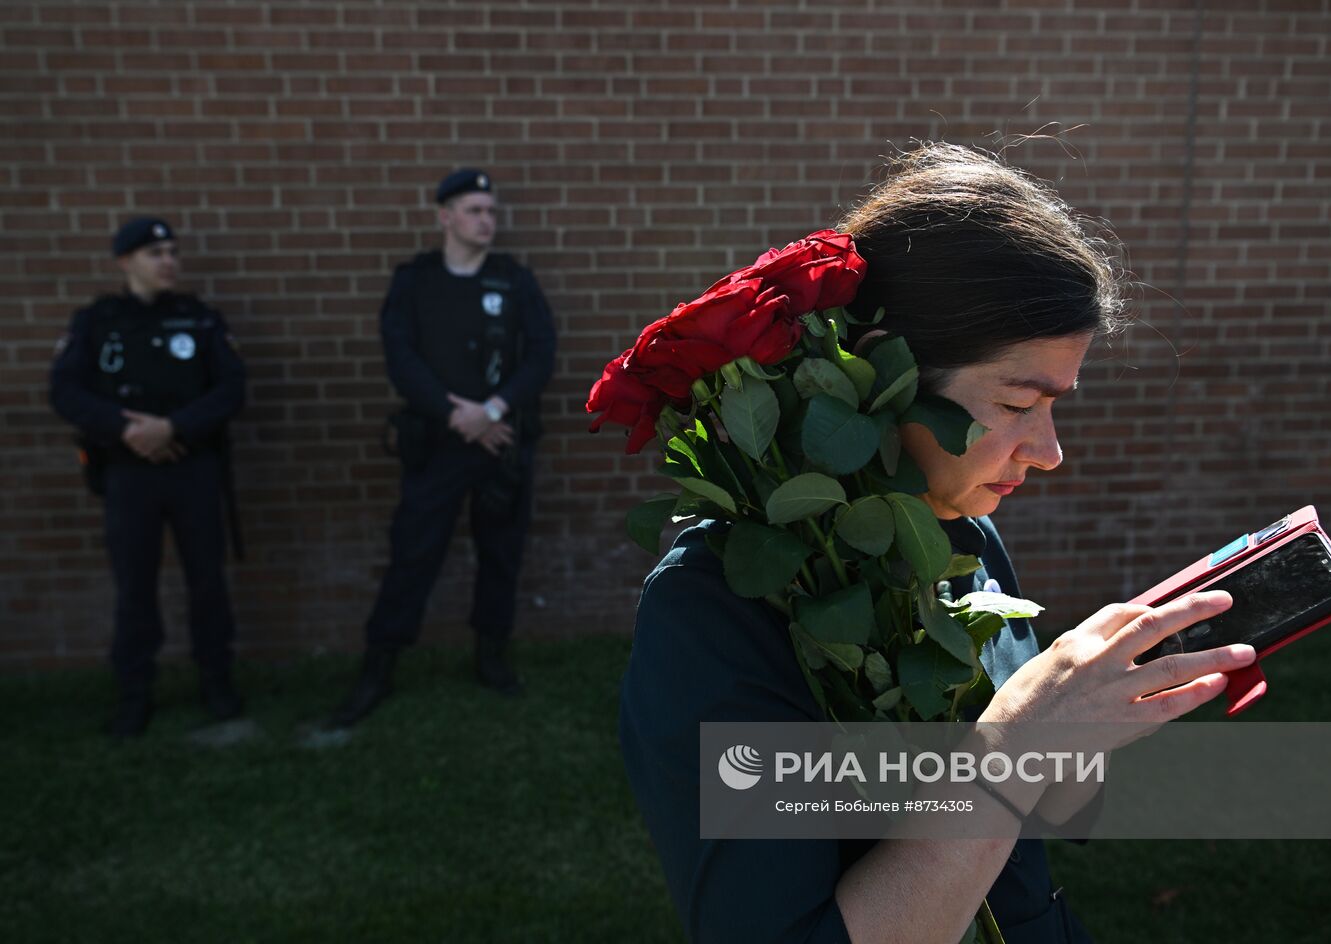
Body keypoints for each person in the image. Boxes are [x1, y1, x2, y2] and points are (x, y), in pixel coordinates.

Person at [618, 144, 1259, 942]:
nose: (1051, 451)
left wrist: (1094, 707)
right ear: (886, 373)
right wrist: (1019, 741)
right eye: (1021, 401)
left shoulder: (963, 539)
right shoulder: (717, 606)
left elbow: (1033, 822)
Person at [329, 168, 556, 727]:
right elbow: (399, 354)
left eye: (492, 211)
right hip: (437, 443)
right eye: (475, 210)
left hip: (501, 444)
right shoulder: (415, 281)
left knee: (500, 554)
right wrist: (456, 414)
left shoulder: (514, 280)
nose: (487, 220)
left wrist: (494, 411)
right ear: (445, 217)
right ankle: (378, 668)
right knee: (413, 553)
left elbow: (541, 354)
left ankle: (491, 658)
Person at [50, 216, 247, 737]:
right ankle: (135, 693)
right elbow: (65, 392)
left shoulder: (199, 320)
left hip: (194, 469)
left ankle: (217, 682)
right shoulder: (97, 322)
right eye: (155, 254)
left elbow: (231, 389)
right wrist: (124, 430)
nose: (168, 263)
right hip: (128, 475)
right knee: (134, 587)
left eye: (172, 253)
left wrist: (173, 427)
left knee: (207, 582)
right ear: (125, 262)